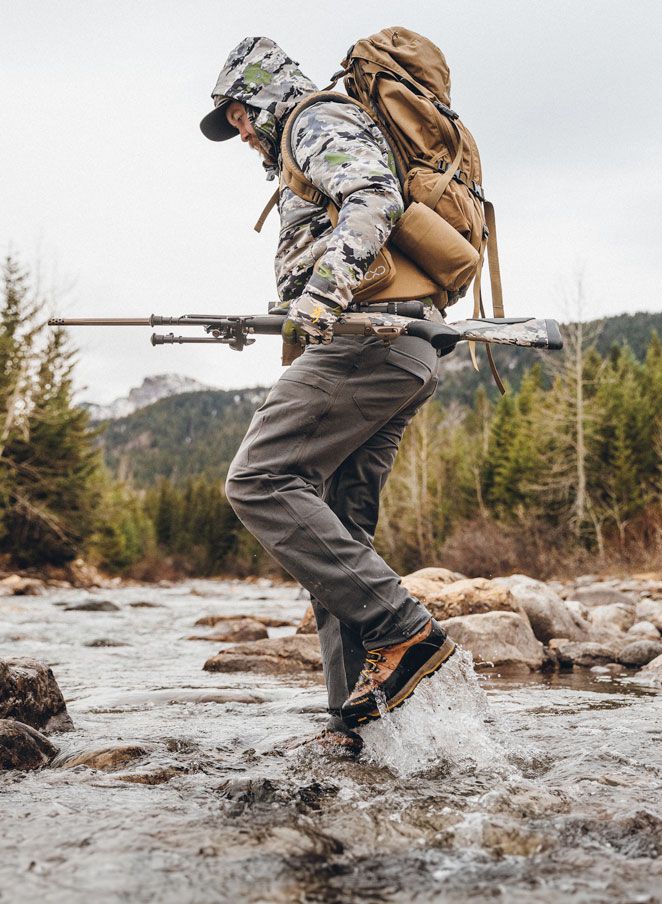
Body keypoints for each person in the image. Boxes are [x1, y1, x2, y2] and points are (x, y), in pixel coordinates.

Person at [200, 37, 455, 756]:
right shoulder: (316, 134)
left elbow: (373, 198)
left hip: (367, 347)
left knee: (260, 480)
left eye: (240, 113)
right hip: (405, 349)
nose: (240, 130)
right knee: (338, 537)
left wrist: (320, 292)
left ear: (265, 93)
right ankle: (361, 725)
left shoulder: (314, 121)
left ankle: (404, 630)